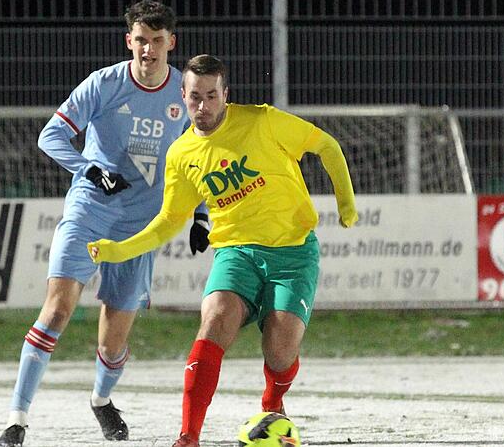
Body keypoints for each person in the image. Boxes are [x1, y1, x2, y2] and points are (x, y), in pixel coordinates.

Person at [87, 54, 358, 447]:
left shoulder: (262, 120)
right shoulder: (181, 154)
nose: (203, 106)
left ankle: (272, 403)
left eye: (211, 96)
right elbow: (169, 220)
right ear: (182, 96)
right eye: (195, 97)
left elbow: (327, 146)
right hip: (236, 253)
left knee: (281, 351)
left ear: (225, 94)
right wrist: (119, 250)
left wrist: (346, 204)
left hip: (293, 252)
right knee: (214, 320)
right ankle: (188, 436)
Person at [0, 1, 209, 446]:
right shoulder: (104, 83)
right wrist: (89, 170)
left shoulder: (185, 92)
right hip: (90, 210)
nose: (148, 49)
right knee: (57, 310)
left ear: (171, 42)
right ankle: (16, 420)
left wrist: (201, 213)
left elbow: (202, 155)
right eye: (140, 40)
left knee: (113, 342)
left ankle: (100, 399)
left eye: (156, 40)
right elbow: (51, 135)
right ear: (128, 41)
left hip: (142, 225)